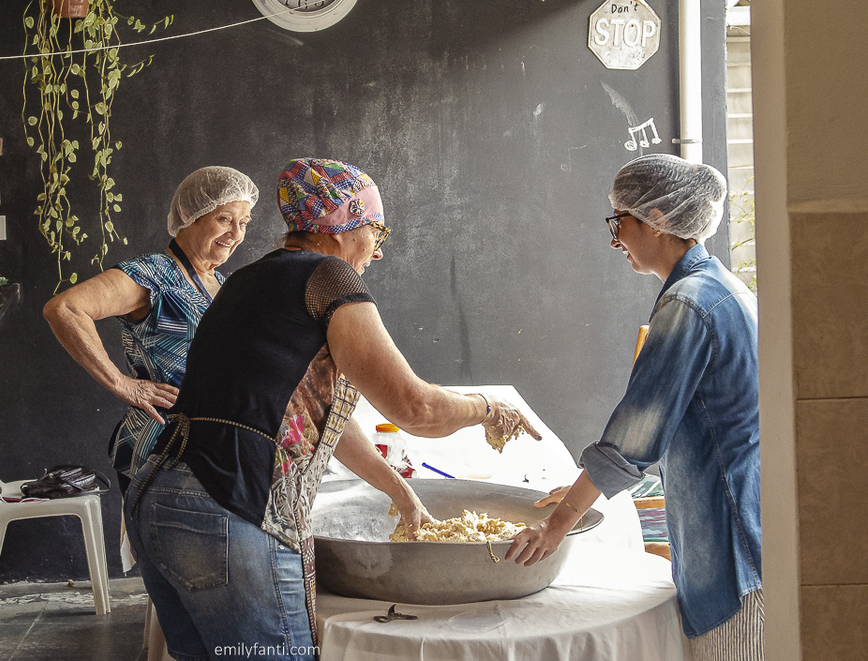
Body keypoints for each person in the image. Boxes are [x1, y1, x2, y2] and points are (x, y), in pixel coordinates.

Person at [124, 157, 540, 661]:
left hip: (157, 498)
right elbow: (416, 406)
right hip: (228, 506)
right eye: (375, 230)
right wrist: (487, 408)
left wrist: (401, 493)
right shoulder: (329, 276)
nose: (379, 250)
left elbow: (309, 422)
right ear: (340, 226)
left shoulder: (245, 281)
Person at [505, 154, 762, 660]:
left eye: (618, 220)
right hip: (750, 527)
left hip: (731, 549)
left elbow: (636, 435)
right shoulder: (721, 287)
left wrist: (557, 524)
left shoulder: (689, 303)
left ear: (658, 219)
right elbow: (699, 427)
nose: (614, 238)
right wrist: (586, 491)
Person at [42, 166, 259, 493]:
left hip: (209, 458)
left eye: (243, 223)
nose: (236, 234)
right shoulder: (152, 274)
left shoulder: (220, 283)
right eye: (225, 219)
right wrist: (122, 384)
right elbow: (64, 309)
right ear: (191, 217)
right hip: (160, 451)